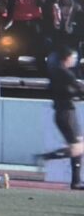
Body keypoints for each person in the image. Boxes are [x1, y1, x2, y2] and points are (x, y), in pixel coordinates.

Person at [35, 46, 84, 189]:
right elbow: (78, 90)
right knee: (77, 147)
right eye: (73, 57)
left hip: (64, 112)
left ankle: (76, 181)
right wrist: (77, 93)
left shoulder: (55, 73)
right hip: (66, 113)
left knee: (79, 145)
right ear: (66, 58)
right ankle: (46, 157)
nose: (75, 60)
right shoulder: (65, 74)